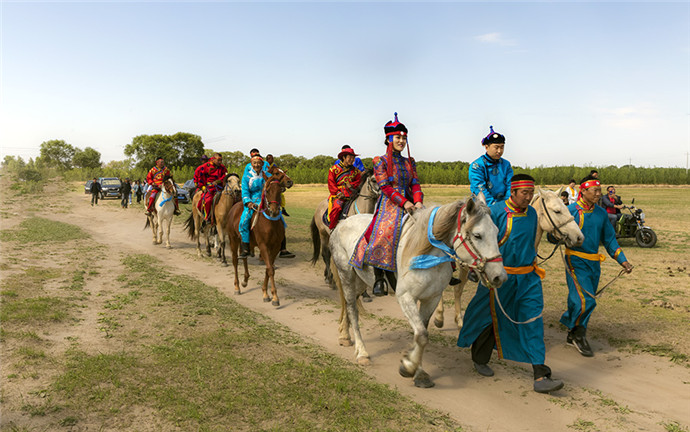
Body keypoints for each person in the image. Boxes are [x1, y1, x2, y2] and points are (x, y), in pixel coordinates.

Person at [457, 174, 564, 394]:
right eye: (524, 193)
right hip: (499, 278)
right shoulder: (495, 212)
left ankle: (541, 374)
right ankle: (479, 357)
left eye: (530, 192)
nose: (528, 197)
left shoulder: (533, 213)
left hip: (528, 278)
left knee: (533, 321)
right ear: (512, 192)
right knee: (487, 319)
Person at [349, 113, 424, 297]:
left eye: (404, 138)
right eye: (398, 137)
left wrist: (418, 200)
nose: (402, 141)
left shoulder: (409, 162)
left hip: (412, 203)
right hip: (390, 204)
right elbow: (385, 186)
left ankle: (444, 267)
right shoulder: (379, 161)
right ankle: (379, 277)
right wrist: (404, 202)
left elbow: (414, 183)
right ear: (389, 138)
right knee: (383, 232)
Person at [560, 175, 633, 357]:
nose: (599, 194)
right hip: (575, 260)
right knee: (586, 300)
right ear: (583, 191)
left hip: (594, 263)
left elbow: (609, 240)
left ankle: (574, 332)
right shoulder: (570, 211)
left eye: (600, 191)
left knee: (584, 300)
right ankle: (578, 333)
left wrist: (622, 260)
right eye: (595, 191)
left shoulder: (601, 214)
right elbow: (554, 234)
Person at [469, 126, 513, 207]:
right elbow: (479, 189)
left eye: (502, 147)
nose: (499, 151)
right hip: (481, 206)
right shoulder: (477, 166)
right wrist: (496, 208)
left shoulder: (506, 165)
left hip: (505, 205)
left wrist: (507, 205)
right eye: (496, 147)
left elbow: (510, 185)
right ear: (486, 147)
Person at [265, 154, 295, 258]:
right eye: (268, 158)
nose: (270, 160)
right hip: (262, 198)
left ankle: (283, 249)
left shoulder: (275, 167)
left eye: (271, 158)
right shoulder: (265, 170)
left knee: (281, 223)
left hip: (274, 200)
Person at [239, 153, 267, 258]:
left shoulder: (266, 175)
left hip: (265, 200)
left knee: (280, 219)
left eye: (259, 163)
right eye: (254, 163)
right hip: (252, 201)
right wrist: (249, 202)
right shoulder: (246, 177)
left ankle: (282, 246)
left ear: (262, 164)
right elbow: (245, 190)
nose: (256, 165)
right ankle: (245, 246)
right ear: (251, 164)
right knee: (244, 221)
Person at [327, 147, 362, 229]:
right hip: (339, 194)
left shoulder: (356, 171)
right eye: (350, 157)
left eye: (353, 158)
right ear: (344, 157)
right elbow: (331, 183)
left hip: (352, 193)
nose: (352, 160)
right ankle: (332, 227)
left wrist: (351, 185)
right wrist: (338, 193)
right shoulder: (333, 169)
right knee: (337, 207)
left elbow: (359, 181)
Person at [194, 153, 228, 226]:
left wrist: (219, 181)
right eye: (218, 160)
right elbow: (200, 177)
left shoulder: (222, 167)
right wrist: (202, 187)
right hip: (209, 187)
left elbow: (225, 175)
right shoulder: (205, 166)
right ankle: (208, 217)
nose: (220, 162)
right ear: (213, 159)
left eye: (221, 160)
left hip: (220, 186)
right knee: (208, 200)